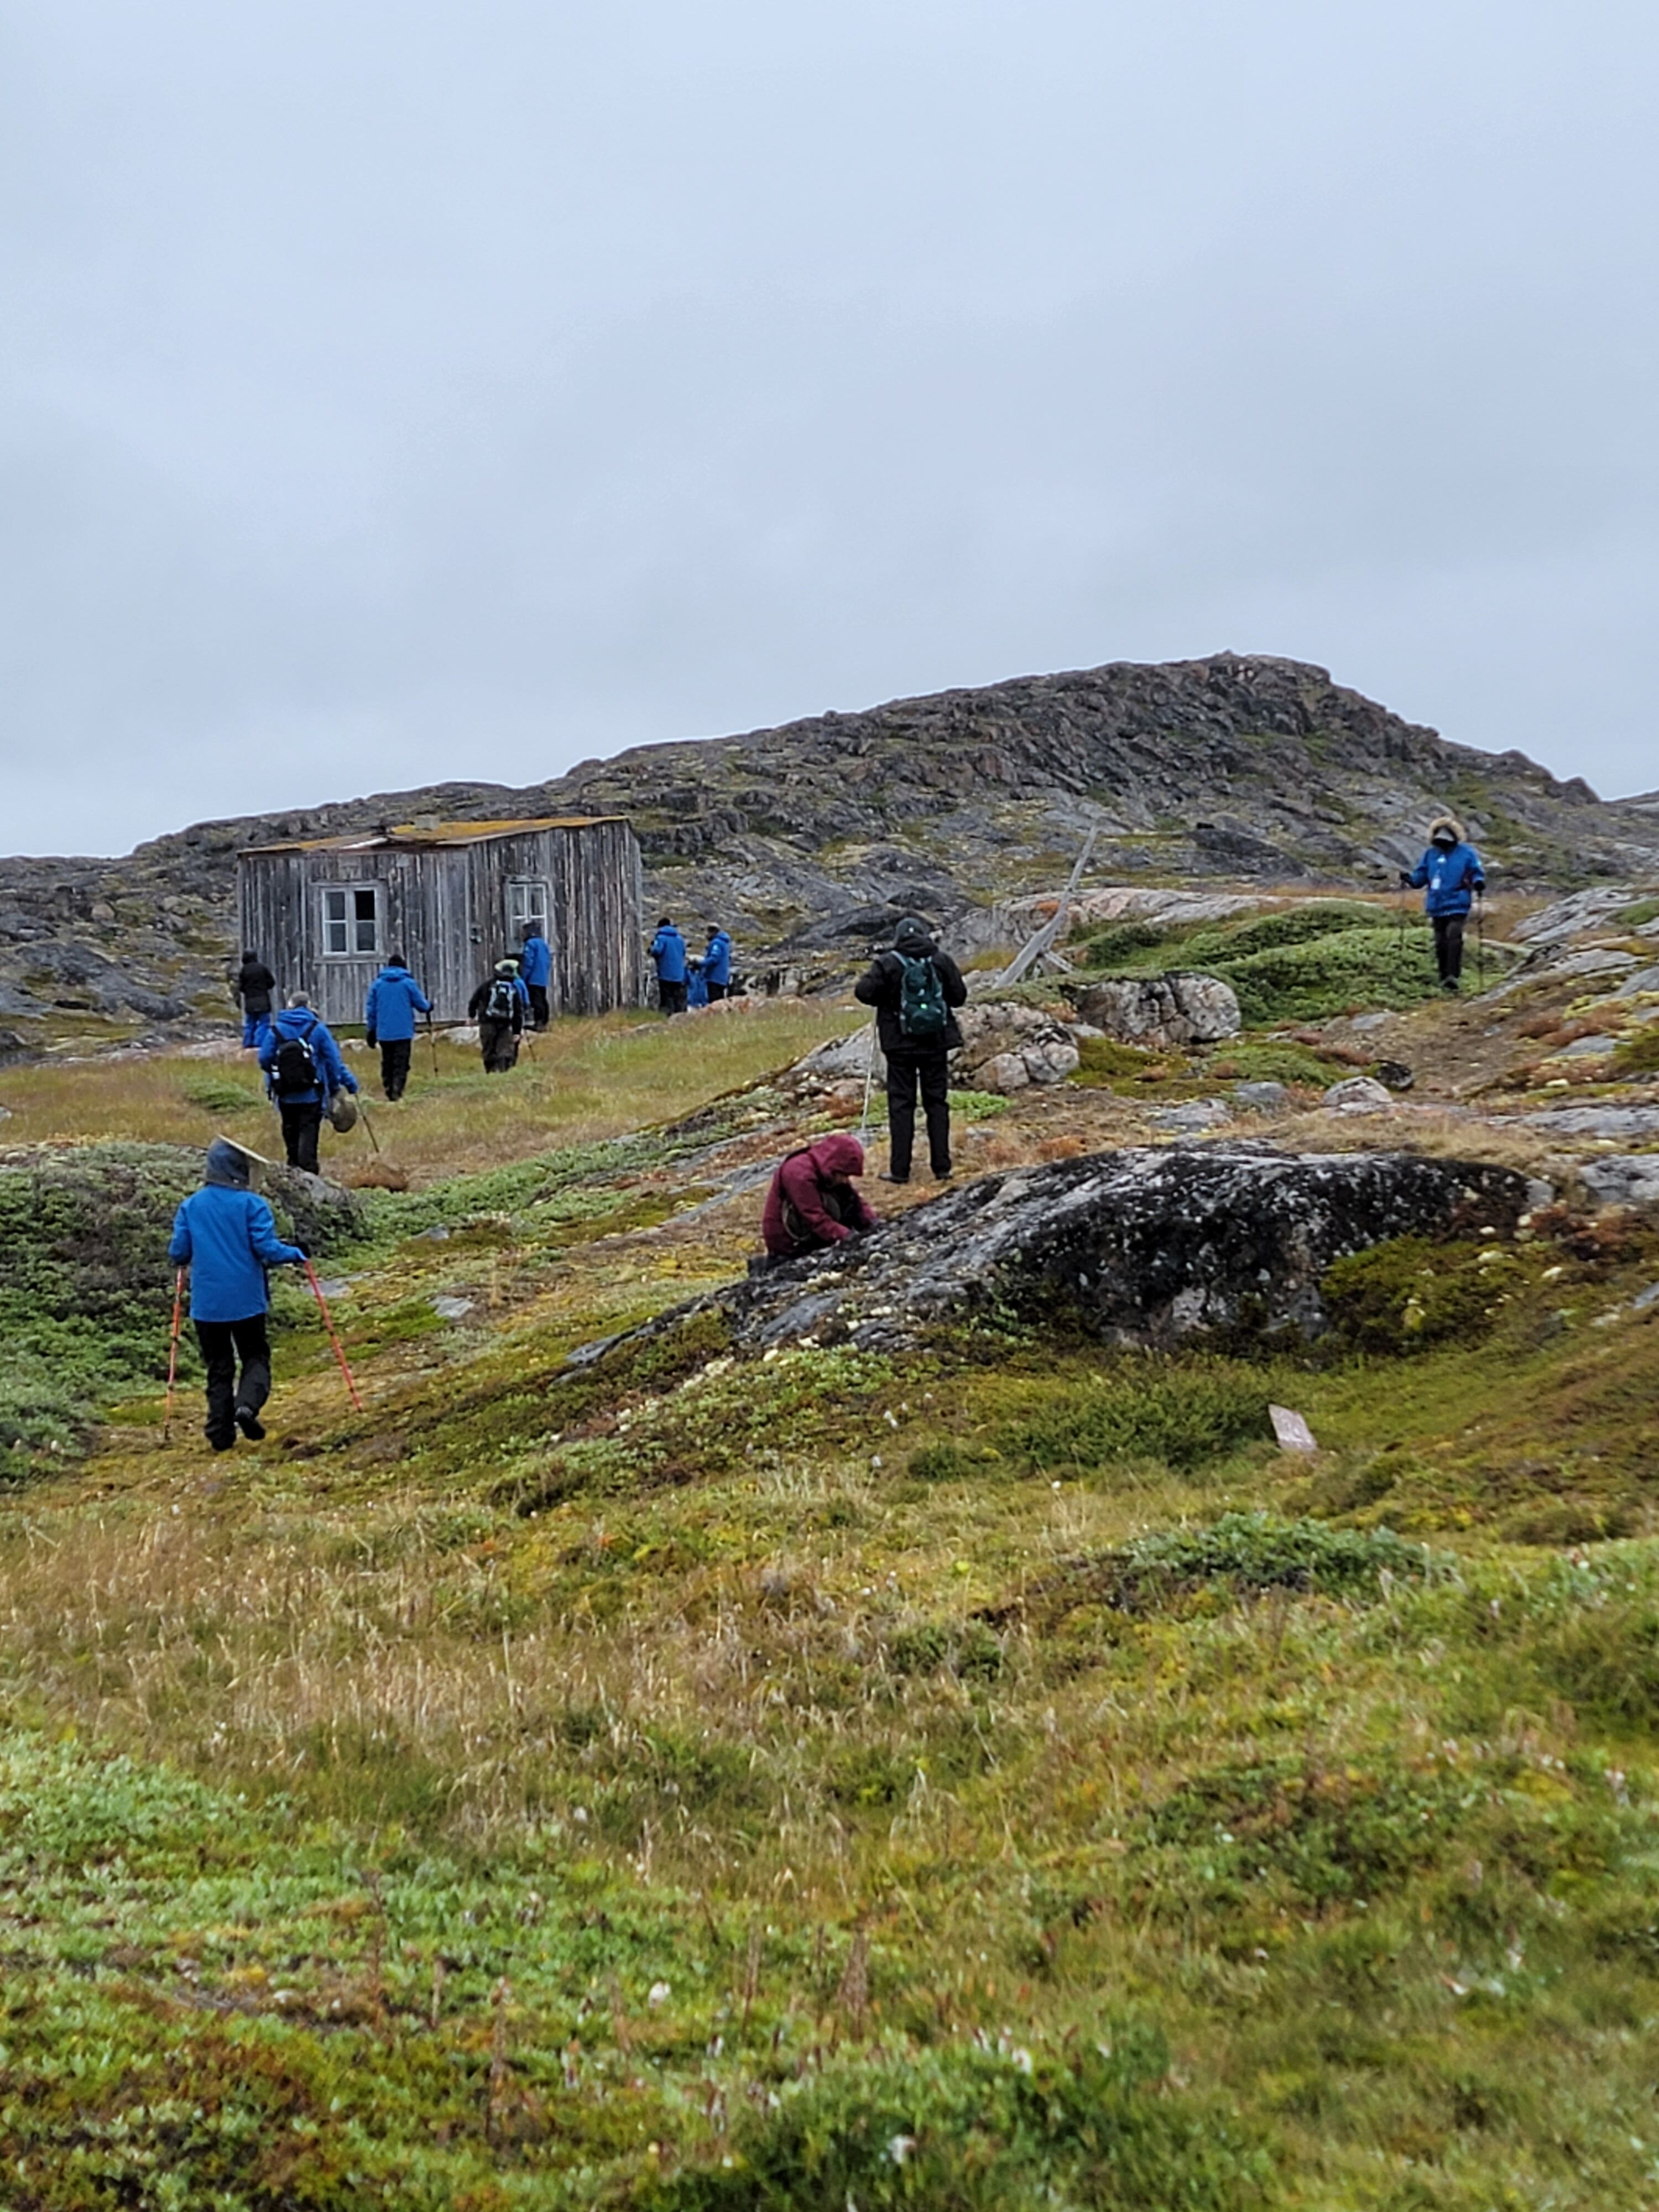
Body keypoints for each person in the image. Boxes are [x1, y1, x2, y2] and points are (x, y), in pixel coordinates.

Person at [168, 1137, 307, 1451]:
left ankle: (220, 1434)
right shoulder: (252, 1205)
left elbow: (178, 1252)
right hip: (247, 1301)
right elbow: (267, 1249)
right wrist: (297, 1253)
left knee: (219, 1367)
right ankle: (246, 1407)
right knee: (255, 1356)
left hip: (207, 1305)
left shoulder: (191, 1206)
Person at [854, 915, 967, 1184]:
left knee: (901, 1105)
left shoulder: (888, 963)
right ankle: (942, 1167)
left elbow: (863, 992)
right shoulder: (940, 960)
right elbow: (959, 997)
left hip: (900, 1046)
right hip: (936, 1043)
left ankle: (900, 1170)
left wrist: (886, 996)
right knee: (937, 1103)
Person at [258, 993, 357, 1172]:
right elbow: (334, 1061)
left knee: (290, 1129)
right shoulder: (318, 1029)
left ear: (290, 1006)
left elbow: (264, 1058)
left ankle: (292, 1167)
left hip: (285, 1093)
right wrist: (340, 1085)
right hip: (312, 1093)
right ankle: (309, 1172)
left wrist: (277, 1076)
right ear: (309, 1006)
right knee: (309, 1131)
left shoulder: (276, 1030)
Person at [1401, 814, 1486, 993]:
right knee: (1441, 941)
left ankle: (1453, 976)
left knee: (1454, 935)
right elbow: (1420, 877)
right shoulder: (1430, 854)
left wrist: (1478, 882)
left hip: (1458, 902)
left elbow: (1475, 871)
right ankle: (1444, 977)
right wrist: (1410, 879)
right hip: (1437, 904)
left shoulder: (1466, 853)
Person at [761, 1133, 879, 1260]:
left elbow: (855, 1202)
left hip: (813, 1231)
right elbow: (815, 1218)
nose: (845, 1180)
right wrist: (848, 1236)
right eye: (844, 1175)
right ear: (834, 1166)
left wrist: (874, 1222)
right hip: (789, 1243)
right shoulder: (798, 1174)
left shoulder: (828, 1171)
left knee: (847, 1201)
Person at [363, 952, 431, 1102]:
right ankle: (397, 1089)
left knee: (387, 1060)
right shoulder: (408, 984)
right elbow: (421, 1005)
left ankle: (388, 1087)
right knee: (401, 1062)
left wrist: (371, 1029)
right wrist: (429, 1006)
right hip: (403, 1032)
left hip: (384, 1032)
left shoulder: (377, 985)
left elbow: (371, 1010)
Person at [468, 959, 524, 1072]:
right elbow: (518, 1011)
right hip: (506, 1023)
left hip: (487, 1022)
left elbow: (475, 1000)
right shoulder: (513, 989)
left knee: (488, 1048)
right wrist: (517, 1031)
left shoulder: (488, 985)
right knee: (504, 1048)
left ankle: (490, 1071)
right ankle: (504, 1071)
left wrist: (472, 1015)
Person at [233, 950, 277, 1048]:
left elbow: (241, 987)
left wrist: (248, 990)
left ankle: (247, 1042)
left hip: (250, 1001)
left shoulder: (244, 970)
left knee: (250, 1023)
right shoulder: (262, 968)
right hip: (263, 1000)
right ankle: (259, 1042)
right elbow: (272, 982)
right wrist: (264, 987)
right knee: (264, 1023)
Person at [650, 917, 688, 1015]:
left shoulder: (661, 938)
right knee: (677, 997)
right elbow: (684, 953)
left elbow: (657, 951)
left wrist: (651, 950)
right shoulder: (680, 939)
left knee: (667, 996)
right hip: (679, 974)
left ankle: (667, 1015)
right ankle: (679, 1016)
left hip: (666, 973)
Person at [519, 925, 553, 1030]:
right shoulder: (543, 944)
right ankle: (544, 1021)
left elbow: (528, 962)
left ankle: (539, 1023)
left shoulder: (530, 944)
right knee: (543, 999)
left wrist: (524, 977)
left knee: (536, 1001)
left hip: (533, 977)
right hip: (542, 976)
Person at [702, 925, 734, 1001]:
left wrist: (701, 964)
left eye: (707, 932)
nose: (705, 935)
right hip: (722, 978)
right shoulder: (724, 943)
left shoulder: (716, 943)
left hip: (714, 977)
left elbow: (714, 959)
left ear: (712, 932)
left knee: (714, 1001)